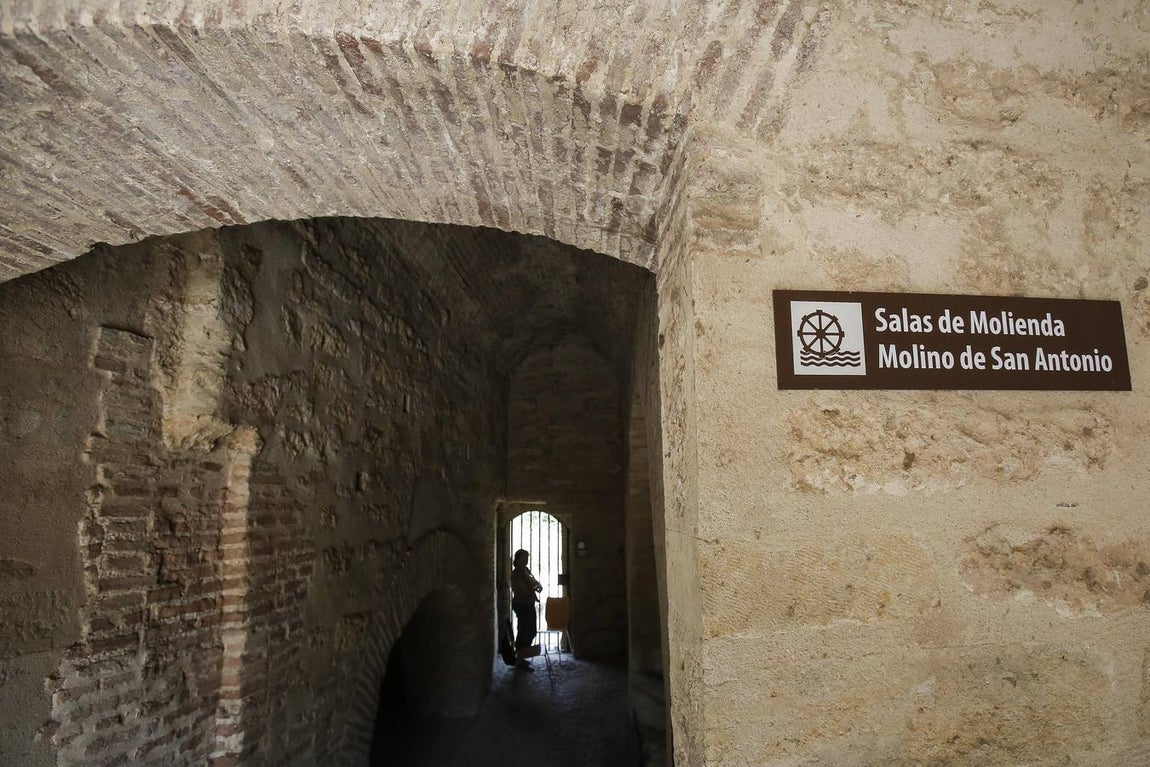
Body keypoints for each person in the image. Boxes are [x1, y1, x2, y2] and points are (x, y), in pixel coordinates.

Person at [510, 548, 543, 671]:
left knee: (531, 631)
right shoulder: (517, 573)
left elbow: (535, 583)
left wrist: (536, 586)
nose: (526, 560)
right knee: (525, 631)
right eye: (523, 558)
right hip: (521, 604)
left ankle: (522, 656)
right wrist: (534, 588)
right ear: (517, 559)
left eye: (527, 558)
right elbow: (523, 589)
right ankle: (519, 659)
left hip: (528, 603)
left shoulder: (525, 570)